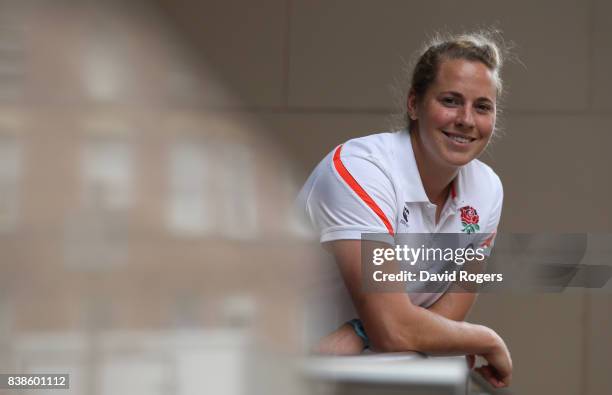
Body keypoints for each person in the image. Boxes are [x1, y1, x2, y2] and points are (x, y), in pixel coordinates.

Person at [297, 31, 512, 388]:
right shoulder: (360, 171)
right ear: (414, 104)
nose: (466, 119)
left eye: (482, 107)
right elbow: (395, 330)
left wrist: (364, 332)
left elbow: (451, 308)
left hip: (379, 370)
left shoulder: (487, 190)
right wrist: (487, 339)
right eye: (450, 100)